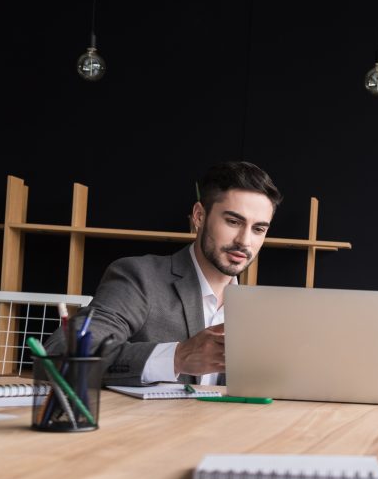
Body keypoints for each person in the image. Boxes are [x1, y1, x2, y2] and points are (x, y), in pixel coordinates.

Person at [45, 161, 282, 386]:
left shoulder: (260, 310)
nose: (245, 241)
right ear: (199, 216)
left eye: (258, 229)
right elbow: (62, 353)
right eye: (233, 221)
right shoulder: (139, 277)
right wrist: (177, 357)